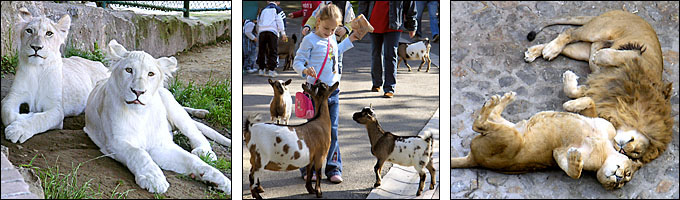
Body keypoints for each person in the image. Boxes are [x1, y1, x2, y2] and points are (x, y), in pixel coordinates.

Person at [293, 4, 360, 184]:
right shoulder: (310, 40)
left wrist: (350, 39)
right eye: (325, 28)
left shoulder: (332, 39)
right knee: (313, 131)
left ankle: (333, 166)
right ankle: (309, 167)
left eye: (333, 29)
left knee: (333, 131)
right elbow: (297, 61)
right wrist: (305, 70)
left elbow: (336, 52)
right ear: (318, 22)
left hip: (332, 91)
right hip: (314, 93)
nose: (329, 33)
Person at [358, 1, 417, 98]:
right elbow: (363, 3)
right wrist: (361, 22)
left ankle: (389, 87)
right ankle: (376, 83)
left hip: (394, 23)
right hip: (374, 22)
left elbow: (410, 5)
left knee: (390, 55)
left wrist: (412, 25)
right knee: (375, 54)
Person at [257, 1, 288, 77]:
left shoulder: (263, 10)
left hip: (262, 31)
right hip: (272, 32)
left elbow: (258, 21)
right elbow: (280, 21)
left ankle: (261, 69)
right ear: (278, 2)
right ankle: (271, 70)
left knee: (261, 51)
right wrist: (283, 33)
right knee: (273, 50)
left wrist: (258, 32)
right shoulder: (277, 9)